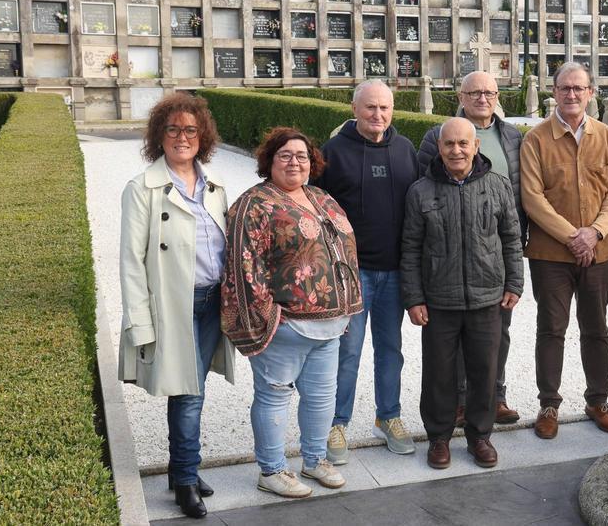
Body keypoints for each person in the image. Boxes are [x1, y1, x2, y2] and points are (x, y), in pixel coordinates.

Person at [220, 127, 364, 499]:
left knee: (321, 398)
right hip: (285, 328)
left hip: (330, 327)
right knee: (274, 397)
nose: (294, 162)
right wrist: (269, 320)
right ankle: (271, 470)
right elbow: (243, 266)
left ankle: (315, 460)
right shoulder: (256, 204)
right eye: (285, 155)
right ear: (269, 161)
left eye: (301, 155)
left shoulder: (321, 197)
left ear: (312, 161)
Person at [118, 92, 236, 519]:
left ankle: (180, 469)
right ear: (159, 135)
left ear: (202, 135)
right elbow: (131, 263)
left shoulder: (216, 188)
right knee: (188, 393)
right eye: (173, 129)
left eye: (190, 129)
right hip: (173, 306)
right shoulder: (142, 189)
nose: (182, 137)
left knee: (193, 390)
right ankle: (185, 478)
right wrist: (141, 327)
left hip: (211, 303)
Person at [402, 118, 524, 470]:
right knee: (439, 373)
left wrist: (514, 283)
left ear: (476, 147)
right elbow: (410, 248)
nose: (456, 150)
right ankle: (438, 438)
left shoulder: (497, 187)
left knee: (484, 371)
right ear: (439, 148)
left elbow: (511, 239)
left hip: (487, 298)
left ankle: (479, 436)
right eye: (449, 144)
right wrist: (414, 298)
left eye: (463, 144)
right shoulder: (420, 191)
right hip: (439, 300)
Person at [313, 79, 421, 461]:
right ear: (354, 108)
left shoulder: (406, 149)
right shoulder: (333, 152)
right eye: (370, 107)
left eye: (385, 108)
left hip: (394, 272)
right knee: (348, 351)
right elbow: (314, 208)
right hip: (351, 273)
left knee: (391, 349)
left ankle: (388, 416)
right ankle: (336, 423)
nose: (378, 115)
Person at [519, 62, 608, 440]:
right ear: (554, 91)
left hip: (600, 252)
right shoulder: (536, 140)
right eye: (565, 88)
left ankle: (598, 400)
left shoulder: (607, 137)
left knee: (596, 328)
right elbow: (533, 199)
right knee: (551, 329)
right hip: (551, 256)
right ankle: (549, 404)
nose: (572, 94)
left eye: (579, 88)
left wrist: (594, 233)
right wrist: (572, 237)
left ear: (591, 92)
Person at [417, 71, 526, 427]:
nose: (483, 98)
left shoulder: (511, 135)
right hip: (447, 256)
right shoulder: (439, 136)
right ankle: (460, 402)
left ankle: (495, 397)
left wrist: (514, 268)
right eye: (475, 92)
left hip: (490, 253)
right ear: (460, 96)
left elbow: (520, 192)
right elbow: (424, 189)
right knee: (452, 340)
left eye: (490, 92)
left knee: (496, 332)